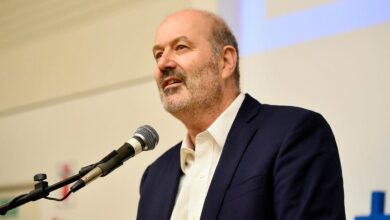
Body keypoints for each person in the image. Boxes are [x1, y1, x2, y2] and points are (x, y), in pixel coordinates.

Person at [137, 9, 345, 220]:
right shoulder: (154, 177)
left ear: (226, 61)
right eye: (158, 55)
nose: (163, 64)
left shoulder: (293, 134)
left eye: (181, 47)